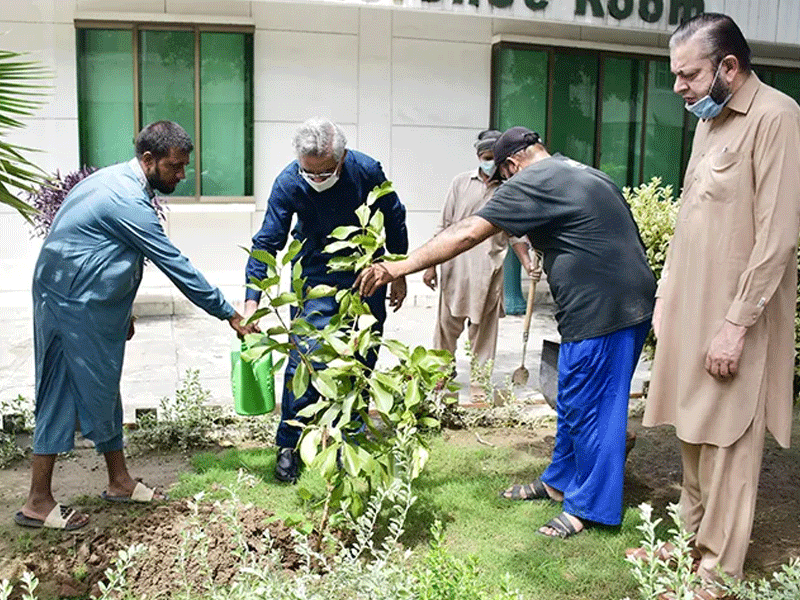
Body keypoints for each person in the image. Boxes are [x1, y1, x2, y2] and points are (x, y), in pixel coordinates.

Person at [356, 126, 655, 539]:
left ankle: (589, 507)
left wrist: (397, 267)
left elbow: (466, 233)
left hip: (606, 311)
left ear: (511, 165)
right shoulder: (581, 172)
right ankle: (558, 482)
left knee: (595, 410)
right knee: (573, 399)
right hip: (613, 304)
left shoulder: (532, 180)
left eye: (503, 177)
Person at [15, 121, 256, 531]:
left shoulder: (116, 182)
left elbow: (96, 248)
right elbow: (172, 262)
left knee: (106, 387)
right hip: (68, 305)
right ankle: (38, 501)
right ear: (149, 160)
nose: (181, 175)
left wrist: (121, 308)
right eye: (176, 167)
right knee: (60, 391)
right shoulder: (124, 199)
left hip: (85, 302)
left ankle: (119, 481)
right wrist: (229, 312)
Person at [640, 13, 800, 590]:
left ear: (729, 66)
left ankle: (718, 568)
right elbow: (690, 219)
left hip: (738, 317)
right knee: (692, 431)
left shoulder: (777, 118)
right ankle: (686, 545)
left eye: (689, 75)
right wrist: (666, 298)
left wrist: (736, 324)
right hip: (689, 309)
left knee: (728, 440)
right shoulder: (709, 122)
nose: (679, 87)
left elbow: (777, 235)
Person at [244, 117, 408, 483]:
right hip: (313, 277)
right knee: (305, 358)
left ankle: (348, 438)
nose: (317, 180)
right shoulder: (289, 181)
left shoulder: (366, 171)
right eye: (310, 173)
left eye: (325, 172)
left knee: (361, 355)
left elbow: (394, 217)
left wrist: (398, 270)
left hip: (365, 274)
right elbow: (267, 241)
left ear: (343, 157)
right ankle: (289, 444)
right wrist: (252, 299)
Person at [422, 130, 534, 399]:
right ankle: (440, 376)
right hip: (455, 268)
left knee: (483, 333)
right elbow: (444, 225)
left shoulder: (509, 189)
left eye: (493, 158)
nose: (489, 163)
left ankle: (480, 385)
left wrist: (528, 264)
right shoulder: (460, 183)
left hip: (489, 271)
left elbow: (515, 235)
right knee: (446, 327)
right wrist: (430, 265)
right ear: (477, 156)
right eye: (485, 157)